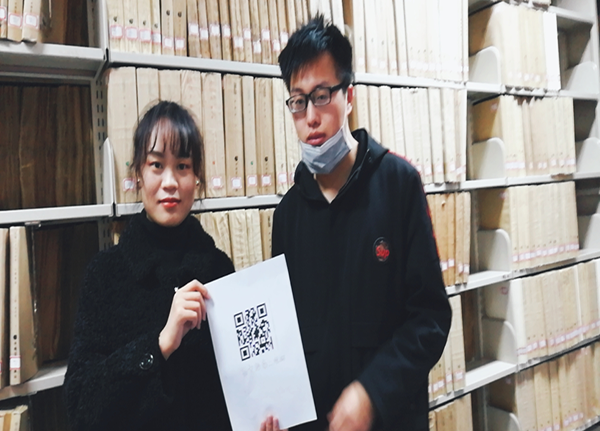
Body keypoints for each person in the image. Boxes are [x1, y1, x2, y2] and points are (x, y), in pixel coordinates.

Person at [272, 16, 452, 431]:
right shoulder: (288, 215)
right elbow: (284, 334)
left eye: (321, 96)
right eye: (298, 101)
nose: (310, 117)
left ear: (348, 95)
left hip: (389, 418)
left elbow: (430, 318)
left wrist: (372, 392)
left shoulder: (398, 184)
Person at [64, 101, 237, 431]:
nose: (170, 182)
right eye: (157, 165)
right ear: (138, 175)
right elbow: (80, 404)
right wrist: (159, 345)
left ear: (197, 177)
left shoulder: (218, 268)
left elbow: (237, 384)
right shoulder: (105, 273)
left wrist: (261, 413)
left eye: (183, 166)